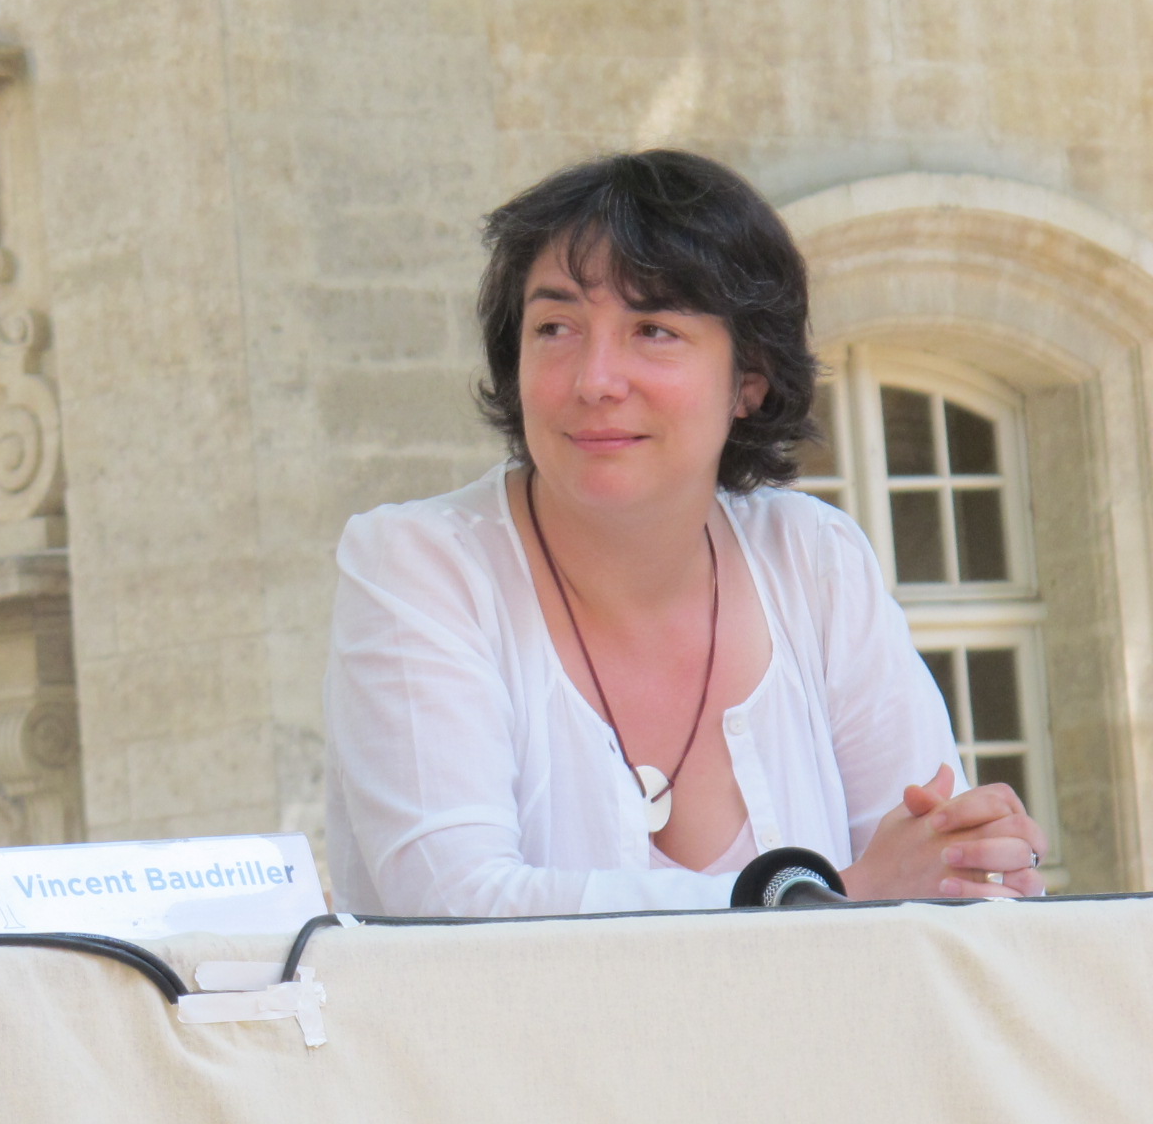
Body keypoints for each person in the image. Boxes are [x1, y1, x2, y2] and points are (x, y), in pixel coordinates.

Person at [324, 150, 1047, 916]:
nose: (595, 380)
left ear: (749, 378)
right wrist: (829, 898)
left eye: (653, 329)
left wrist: (978, 859)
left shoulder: (814, 559)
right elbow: (454, 905)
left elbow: (930, 881)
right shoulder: (418, 565)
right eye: (556, 327)